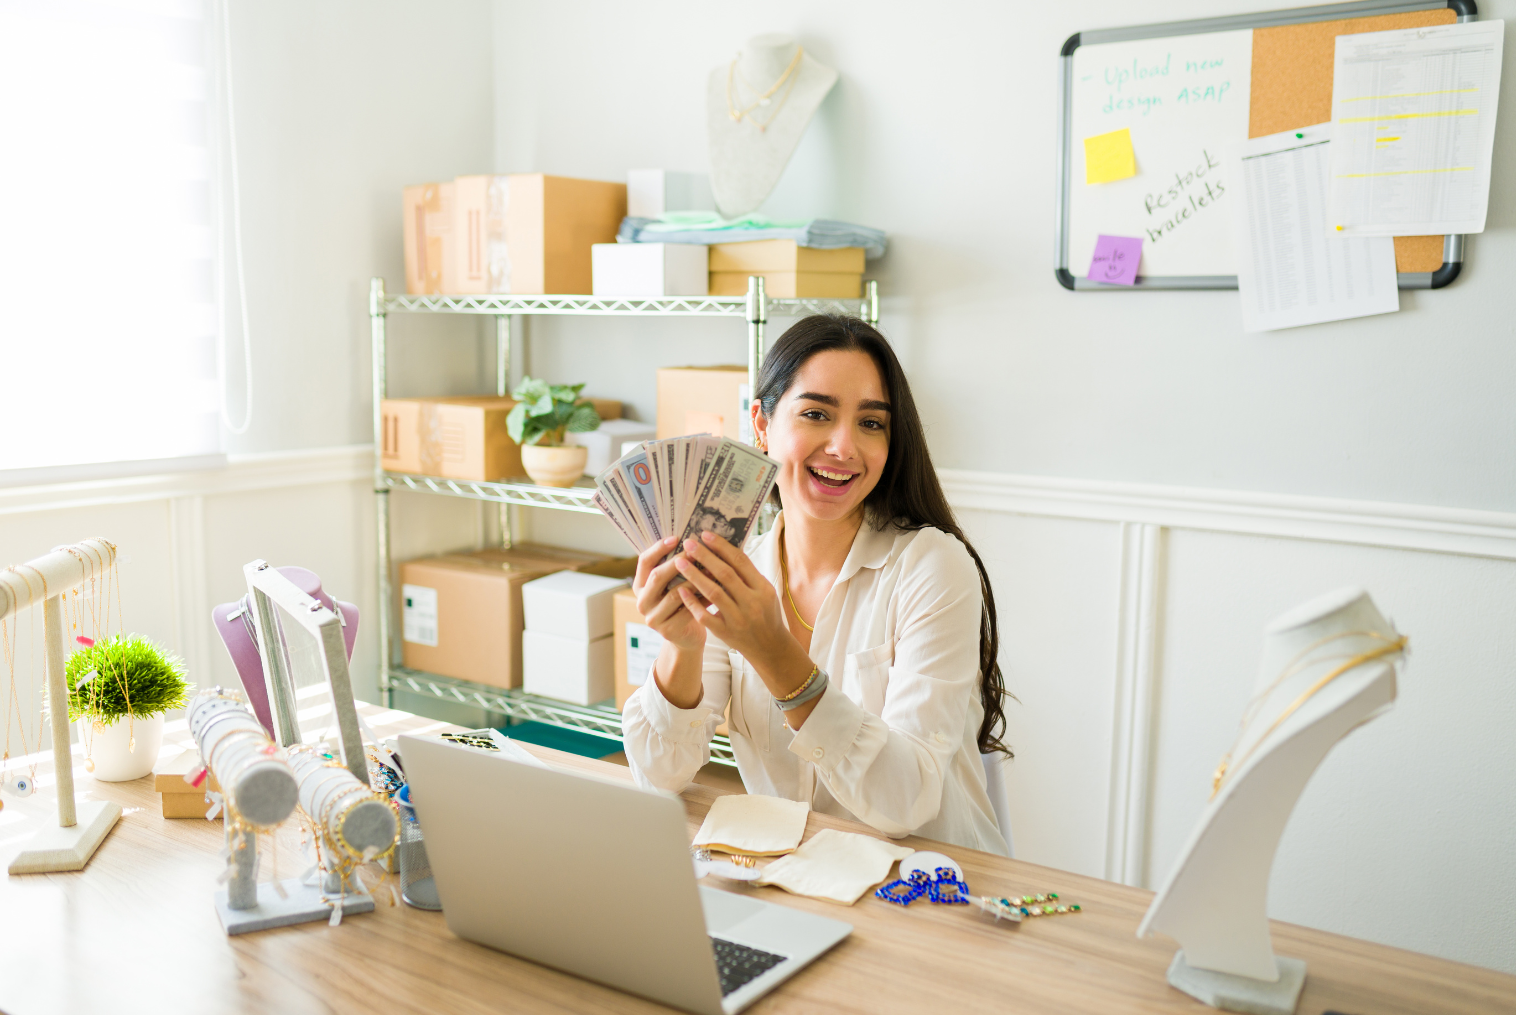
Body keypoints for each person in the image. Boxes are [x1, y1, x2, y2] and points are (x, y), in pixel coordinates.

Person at [622, 315, 1011, 855]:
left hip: (931, 891)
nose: (843, 446)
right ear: (760, 423)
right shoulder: (734, 569)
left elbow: (907, 802)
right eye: (815, 414)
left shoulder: (932, 567)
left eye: (871, 423)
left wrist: (774, 652)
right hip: (793, 879)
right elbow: (659, 774)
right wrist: (682, 646)